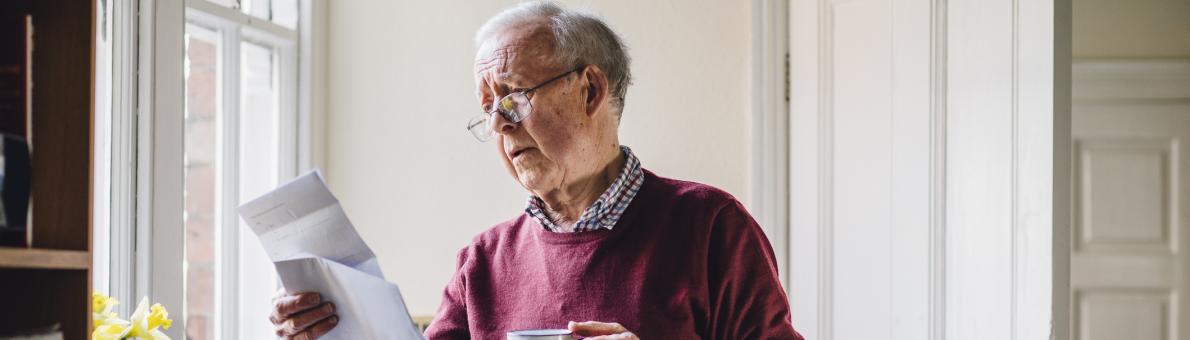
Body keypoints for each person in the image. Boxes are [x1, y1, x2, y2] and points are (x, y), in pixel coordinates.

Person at [269, 2, 803, 339]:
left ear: (589, 89)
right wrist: (329, 331)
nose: (498, 127)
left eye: (513, 99)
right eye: (487, 109)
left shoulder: (711, 226)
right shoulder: (481, 262)